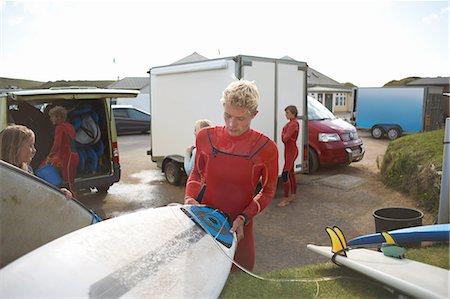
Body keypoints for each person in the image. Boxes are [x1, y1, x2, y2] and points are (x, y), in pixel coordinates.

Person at [184, 80, 278, 271]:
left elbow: (267, 192)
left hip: (239, 229)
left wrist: (244, 217)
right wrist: (189, 198)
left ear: (254, 114)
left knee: (239, 282)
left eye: (241, 118)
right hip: (204, 223)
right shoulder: (205, 137)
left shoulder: (266, 148)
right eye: (227, 115)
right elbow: (196, 172)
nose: (232, 124)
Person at [0, 124, 73, 198]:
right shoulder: (3, 175)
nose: (34, 150)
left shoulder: (28, 170)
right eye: (30, 145)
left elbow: (36, 194)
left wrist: (58, 194)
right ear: (15, 147)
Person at [47, 106, 80, 197]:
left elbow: (57, 144)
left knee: (69, 183)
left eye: (52, 116)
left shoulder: (59, 128)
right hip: (73, 156)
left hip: (68, 157)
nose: (50, 119)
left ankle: (74, 204)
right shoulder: (69, 126)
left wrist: (50, 156)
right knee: (70, 182)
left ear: (58, 117)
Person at [278, 105, 300, 207]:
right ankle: (293, 195)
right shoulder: (292, 123)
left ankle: (285, 199)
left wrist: (283, 132)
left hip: (291, 152)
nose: (286, 115)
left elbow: (285, 139)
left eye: (287, 113)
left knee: (285, 174)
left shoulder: (292, 124)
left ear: (293, 113)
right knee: (290, 173)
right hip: (290, 151)